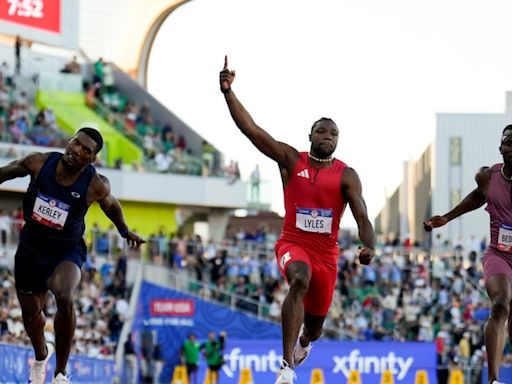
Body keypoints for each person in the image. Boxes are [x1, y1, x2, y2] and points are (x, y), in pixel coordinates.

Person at [219, 56, 375, 384]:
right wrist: (228, 93)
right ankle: (286, 366)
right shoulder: (291, 160)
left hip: (327, 256)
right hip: (293, 243)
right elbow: (252, 131)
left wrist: (368, 246)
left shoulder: (346, 175)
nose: (327, 136)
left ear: (338, 140)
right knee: (299, 280)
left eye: (333, 133)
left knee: (316, 327)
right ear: (310, 134)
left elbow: (362, 214)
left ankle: (304, 342)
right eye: (321, 131)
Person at [0, 127, 145, 384]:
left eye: (85, 150)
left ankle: (60, 373)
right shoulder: (39, 162)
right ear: (69, 141)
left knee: (65, 295)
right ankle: (41, 356)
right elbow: (8, 170)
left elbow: (111, 205)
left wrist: (124, 230)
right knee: (31, 313)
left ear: (92, 158)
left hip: (66, 249)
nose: (76, 150)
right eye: (76, 143)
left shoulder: (95, 184)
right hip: (31, 250)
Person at [424, 124, 512, 384]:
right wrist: (447, 218)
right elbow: (478, 197)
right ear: (501, 148)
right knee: (500, 304)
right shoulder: (488, 177)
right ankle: (494, 379)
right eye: (509, 142)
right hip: (499, 254)